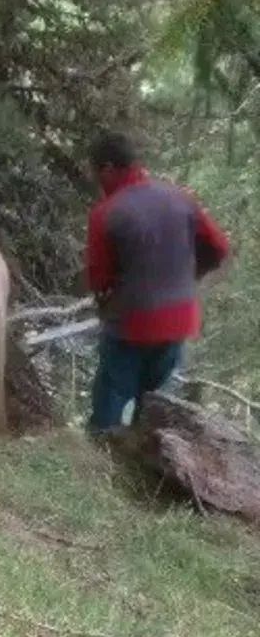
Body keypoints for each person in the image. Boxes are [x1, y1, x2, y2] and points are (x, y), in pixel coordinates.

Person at [84, 131, 230, 436]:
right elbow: (217, 247)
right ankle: (151, 469)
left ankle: (98, 466)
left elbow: (98, 278)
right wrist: (190, 276)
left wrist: (109, 299)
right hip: (178, 320)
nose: (96, 181)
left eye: (97, 172)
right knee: (159, 410)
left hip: (130, 324)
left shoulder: (106, 213)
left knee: (108, 407)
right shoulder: (180, 199)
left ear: (109, 169)